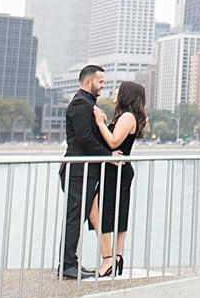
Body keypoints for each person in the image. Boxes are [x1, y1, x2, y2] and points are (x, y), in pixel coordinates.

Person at [90, 81, 146, 278]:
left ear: (126, 95)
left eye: (118, 90)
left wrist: (100, 124)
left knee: (99, 209)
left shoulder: (127, 117)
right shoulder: (129, 116)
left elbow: (114, 141)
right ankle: (116, 257)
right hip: (119, 170)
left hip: (117, 170)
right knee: (118, 212)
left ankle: (110, 259)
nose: (115, 93)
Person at [60, 64, 109, 279]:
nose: (102, 86)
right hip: (78, 171)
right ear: (87, 82)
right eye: (100, 82)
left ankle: (71, 263)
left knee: (77, 217)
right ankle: (68, 265)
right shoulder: (81, 104)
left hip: (83, 171)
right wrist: (109, 157)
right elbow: (84, 138)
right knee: (75, 217)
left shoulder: (88, 104)